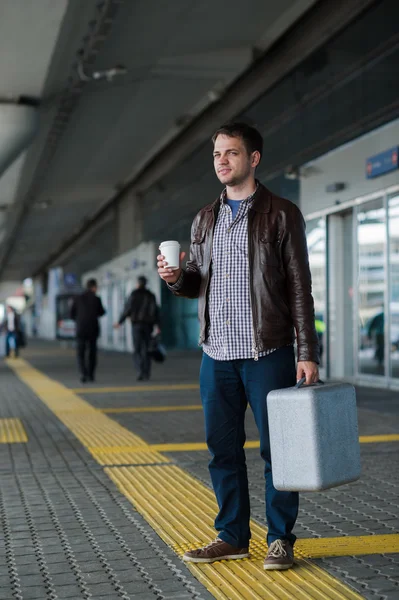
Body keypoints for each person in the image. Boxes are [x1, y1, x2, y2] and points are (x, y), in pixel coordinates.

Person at [157, 122, 319, 570]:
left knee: (278, 451)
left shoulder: (281, 213)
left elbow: (300, 289)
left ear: (254, 159)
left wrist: (307, 351)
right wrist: (175, 279)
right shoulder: (204, 219)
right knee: (221, 451)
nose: (222, 161)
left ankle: (280, 538)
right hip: (216, 356)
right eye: (216, 155)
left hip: (267, 351)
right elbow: (196, 284)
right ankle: (232, 536)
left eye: (231, 153)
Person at [114, 276, 160, 381]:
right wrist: (158, 326)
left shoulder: (134, 294)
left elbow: (127, 309)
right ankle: (147, 373)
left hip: (136, 326)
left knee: (137, 349)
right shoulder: (151, 295)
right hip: (148, 326)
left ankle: (139, 371)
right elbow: (156, 311)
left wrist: (120, 322)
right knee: (147, 349)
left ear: (138, 283)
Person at [71, 279, 106, 383]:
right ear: (94, 287)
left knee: (80, 353)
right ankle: (91, 375)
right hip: (92, 329)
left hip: (81, 329)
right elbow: (102, 312)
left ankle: (83, 373)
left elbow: (71, 314)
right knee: (92, 353)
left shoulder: (77, 298)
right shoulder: (96, 299)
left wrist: (79, 320)